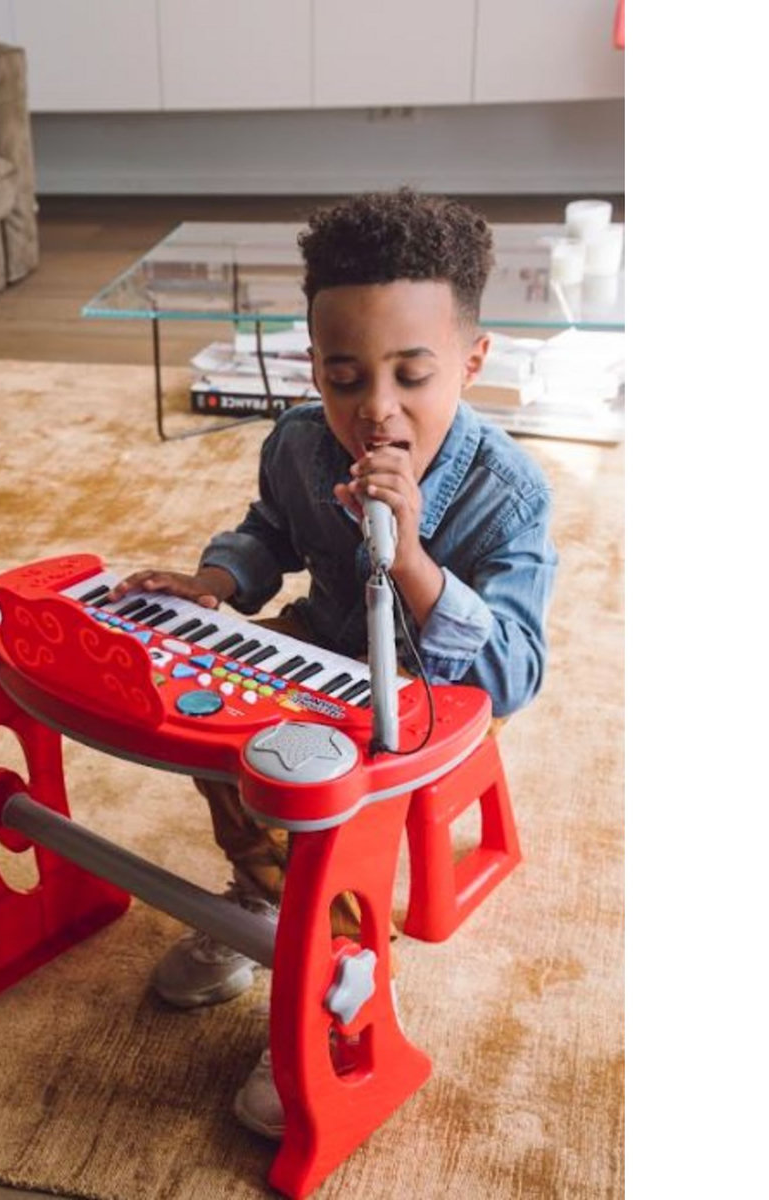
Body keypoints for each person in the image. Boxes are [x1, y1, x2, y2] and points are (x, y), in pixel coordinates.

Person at [107, 188, 558, 1138]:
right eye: (345, 376)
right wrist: (218, 583)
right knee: (205, 725)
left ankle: (324, 986)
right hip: (323, 652)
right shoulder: (301, 445)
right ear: (312, 363)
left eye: (411, 375)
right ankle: (259, 895)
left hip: (436, 694)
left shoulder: (509, 494)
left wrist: (415, 564)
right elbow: (269, 530)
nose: (375, 409)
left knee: (338, 810)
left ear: (472, 363)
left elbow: (513, 671)